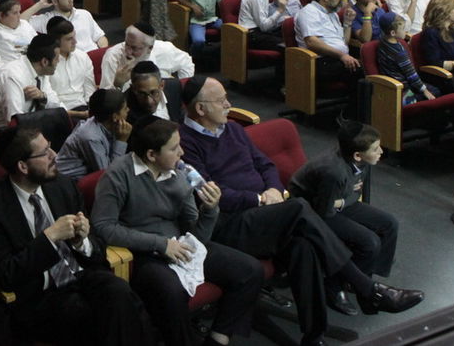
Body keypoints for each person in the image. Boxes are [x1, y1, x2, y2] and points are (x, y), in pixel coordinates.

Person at [178, 77, 422, 344]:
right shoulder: (185, 143)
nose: (228, 104)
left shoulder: (233, 129)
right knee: (299, 208)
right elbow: (211, 194)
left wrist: (272, 190)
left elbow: (265, 165)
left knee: (303, 246)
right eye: (220, 100)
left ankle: (314, 336)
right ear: (200, 109)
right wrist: (258, 199)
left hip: (266, 214)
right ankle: (368, 289)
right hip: (229, 225)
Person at [91, 116, 264, 346]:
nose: (182, 152)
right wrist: (160, 244)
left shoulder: (181, 173)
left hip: (180, 243)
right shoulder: (117, 175)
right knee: (171, 292)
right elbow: (104, 227)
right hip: (142, 252)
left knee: (250, 271)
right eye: (174, 148)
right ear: (152, 155)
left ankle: (217, 338)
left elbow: (198, 235)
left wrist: (210, 210)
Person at [0, 125, 147, 346]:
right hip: (40, 294)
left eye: (50, 148)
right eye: (45, 153)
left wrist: (81, 240)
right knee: (91, 316)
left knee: (121, 293)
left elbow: (98, 248)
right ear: (23, 166)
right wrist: (49, 238)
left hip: (81, 275)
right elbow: (6, 274)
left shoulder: (62, 185)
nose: (55, 156)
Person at [288, 123, 401, 317]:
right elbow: (323, 212)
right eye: (375, 149)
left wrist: (342, 201)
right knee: (370, 242)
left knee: (390, 224)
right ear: (358, 155)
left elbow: (355, 194)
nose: (381, 152)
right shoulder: (334, 172)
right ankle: (334, 285)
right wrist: (343, 200)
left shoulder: (362, 161)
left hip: (338, 203)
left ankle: (363, 281)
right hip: (313, 212)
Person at [0, 33, 62, 128]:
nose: (59, 61)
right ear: (44, 62)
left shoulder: (42, 72)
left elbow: (56, 103)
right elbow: (15, 120)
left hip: (22, 125)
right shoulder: (12, 75)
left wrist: (42, 96)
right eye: (56, 58)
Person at [57, 88, 131, 179]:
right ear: (115, 117)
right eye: (125, 108)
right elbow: (108, 175)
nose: (128, 110)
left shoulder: (109, 125)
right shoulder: (91, 137)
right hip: (68, 181)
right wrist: (121, 141)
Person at [99, 23, 194, 91]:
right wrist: (118, 84)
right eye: (126, 44)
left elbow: (187, 63)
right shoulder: (112, 56)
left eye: (134, 48)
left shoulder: (165, 50)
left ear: (150, 48)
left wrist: (181, 91)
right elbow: (106, 99)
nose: (128, 52)